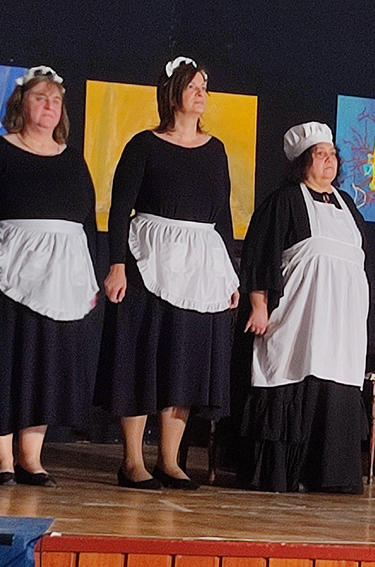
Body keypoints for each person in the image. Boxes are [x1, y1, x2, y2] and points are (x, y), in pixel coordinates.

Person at [96, 57, 240, 490]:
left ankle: (170, 460)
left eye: (204, 87)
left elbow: (223, 216)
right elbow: (120, 209)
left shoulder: (215, 150)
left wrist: (231, 275)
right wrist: (117, 265)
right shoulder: (144, 145)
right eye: (193, 86)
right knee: (141, 358)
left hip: (200, 265)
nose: (201, 94)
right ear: (172, 93)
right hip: (148, 260)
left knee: (184, 361)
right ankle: (132, 462)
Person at [0, 66, 100, 487]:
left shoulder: (72, 158)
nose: (49, 106)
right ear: (21, 104)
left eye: (56, 100)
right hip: (11, 273)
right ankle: (2, 458)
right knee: (9, 363)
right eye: (40, 98)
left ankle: (31, 457)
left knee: (46, 367)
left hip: (61, 276)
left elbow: (86, 221)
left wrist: (87, 278)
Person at [238, 121, 369, 494]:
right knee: (292, 372)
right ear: (302, 161)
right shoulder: (284, 201)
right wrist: (259, 305)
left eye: (333, 154)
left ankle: (328, 475)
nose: (329, 161)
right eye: (320, 154)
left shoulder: (348, 206)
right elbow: (260, 255)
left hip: (341, 323)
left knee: (335, 385)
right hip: (298, 317)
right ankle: (283, 472)